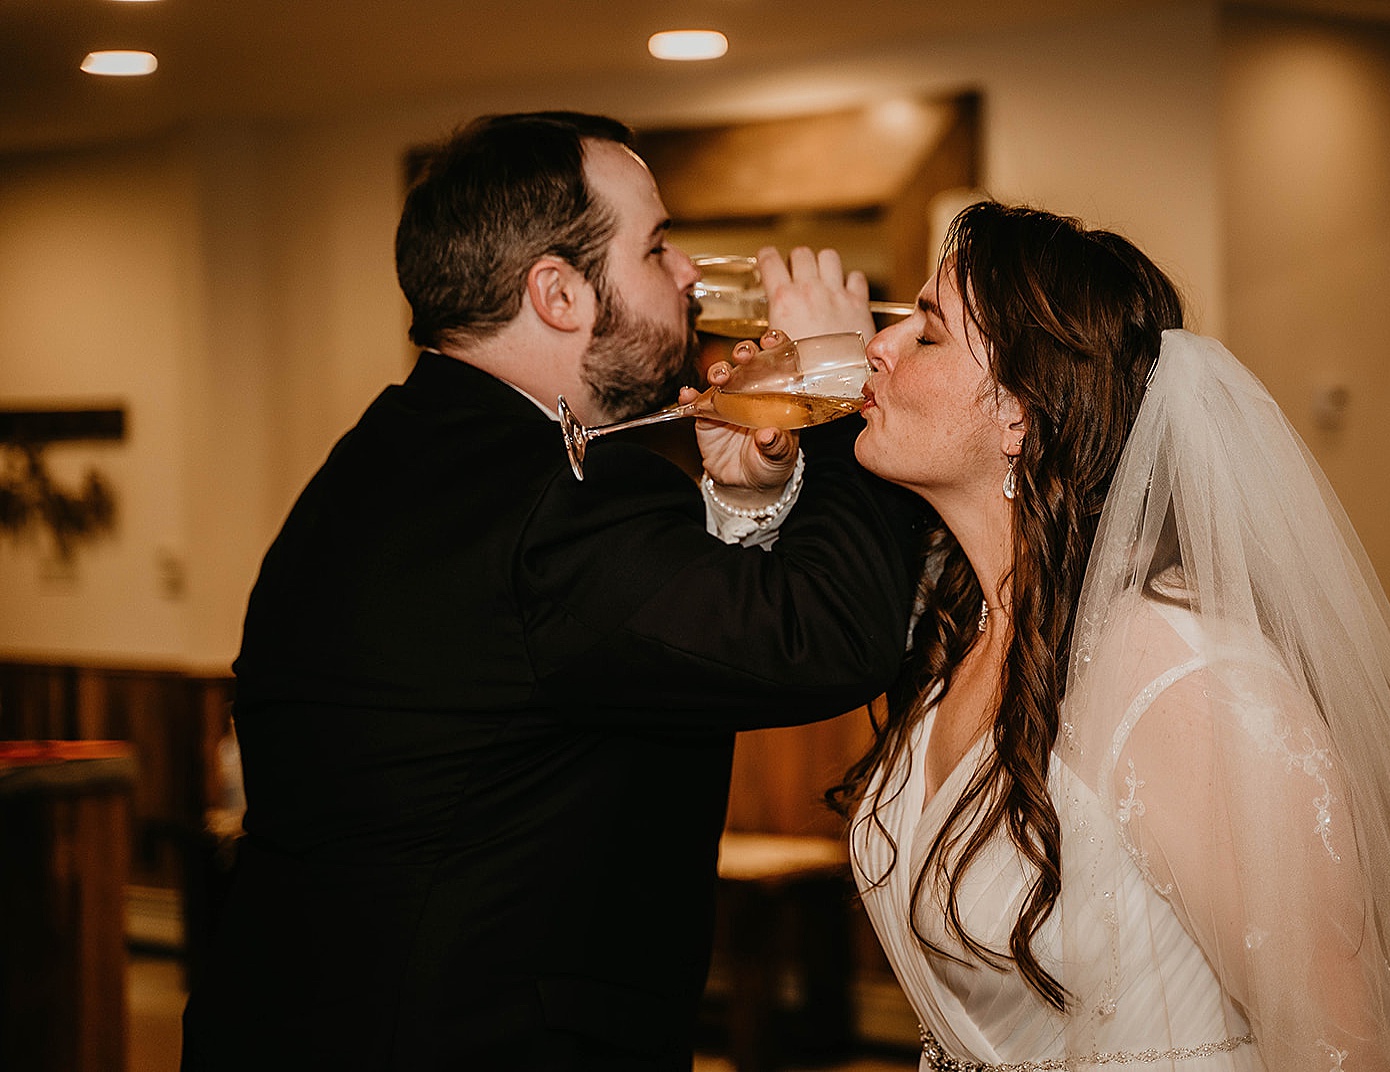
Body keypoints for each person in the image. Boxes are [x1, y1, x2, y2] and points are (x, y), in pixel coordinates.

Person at [180, 111, 922, 1070]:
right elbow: (829, 639)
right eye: (655, 246)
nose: (689, 271)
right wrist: (831, 382)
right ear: (559, 293)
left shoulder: (393, 458)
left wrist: (747, 503)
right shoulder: (548, 504)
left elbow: (632, 652)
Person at [826, 201, 1390, 1071]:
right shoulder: (958, 641)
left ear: (1019, 412)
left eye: (926, 334)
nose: (878, 347)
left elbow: (1347, 1042)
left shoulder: (1180, 677)